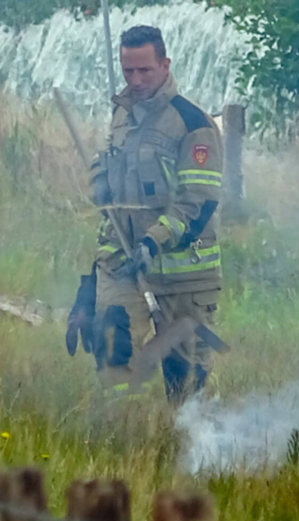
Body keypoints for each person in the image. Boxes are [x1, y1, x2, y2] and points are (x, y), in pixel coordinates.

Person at [65, 25, 225, 405]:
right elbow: (114, 208)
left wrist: (154, 240)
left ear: (165, 65)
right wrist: (101, 181)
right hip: (123, 264)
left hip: (184, 274)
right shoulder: (121, 116)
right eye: (128, 71)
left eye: (144, 71)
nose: (135, 81)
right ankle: (122, 423)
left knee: (185, 379)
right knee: (112, 343)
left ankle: (186, 434)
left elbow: (197, 202)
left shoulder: (193, 124)